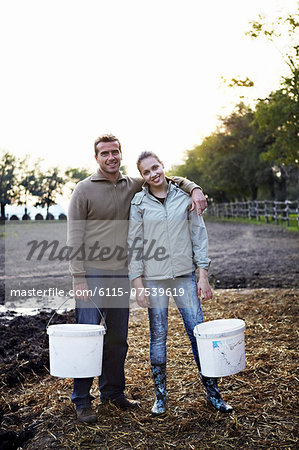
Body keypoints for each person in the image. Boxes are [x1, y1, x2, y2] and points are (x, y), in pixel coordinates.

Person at [67, 134, 208, 423]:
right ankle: (81, 399)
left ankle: (113, 393)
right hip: (92, 275)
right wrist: (78, 277)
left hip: (120, 274)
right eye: (104, 153)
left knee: (118, 338)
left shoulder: (134, 184)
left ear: (121, 154)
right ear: (96, 158)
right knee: (88, 337)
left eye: (115, 152)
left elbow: (166, 179)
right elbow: (73, 237)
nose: (111, 157)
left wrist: (194, 188)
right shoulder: (83, 190)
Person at [127, 151, 233, 415]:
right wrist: (138, 285)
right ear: (143, 177)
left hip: (185, 276)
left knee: (198, 333)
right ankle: (160, 397)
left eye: (156, 168)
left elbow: (199, 235)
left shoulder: (185, 198)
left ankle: (213, 394)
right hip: (153, 279)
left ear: (163, 166)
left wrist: (203, 275)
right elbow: (134, 245)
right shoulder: (139, 203)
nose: (153, 174)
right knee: (158, 336)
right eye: (147, 172)